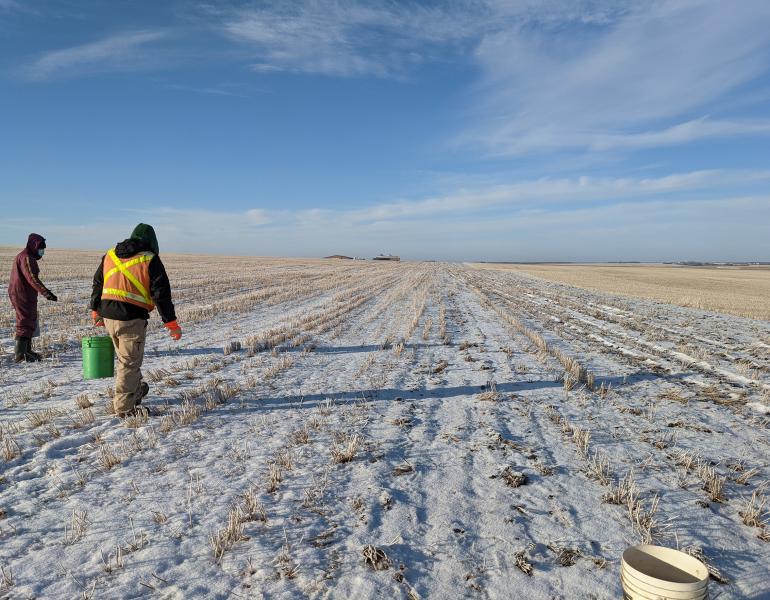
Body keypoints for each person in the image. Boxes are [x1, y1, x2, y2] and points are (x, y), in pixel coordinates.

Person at [90, 223, 182, 417]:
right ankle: (124, 408)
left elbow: (98, 283)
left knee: (128, 358)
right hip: (130, 318)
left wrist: (95, 311)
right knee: (129, 363)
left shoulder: (110, 255)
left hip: (108, 315)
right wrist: (171, 324)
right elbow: (161, 294)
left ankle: (136, 391)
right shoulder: (149, 259)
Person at [8, 233, 57, 363]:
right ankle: (20, 355)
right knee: (24, 321)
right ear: (33, 246)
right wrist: (46, 292)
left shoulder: (27, 256)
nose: (42, 251)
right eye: (41, 248)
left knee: (29, 320)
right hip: (21, 294)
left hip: (26, 294)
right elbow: (32, 278)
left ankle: (27, 351)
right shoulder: (26, 258)